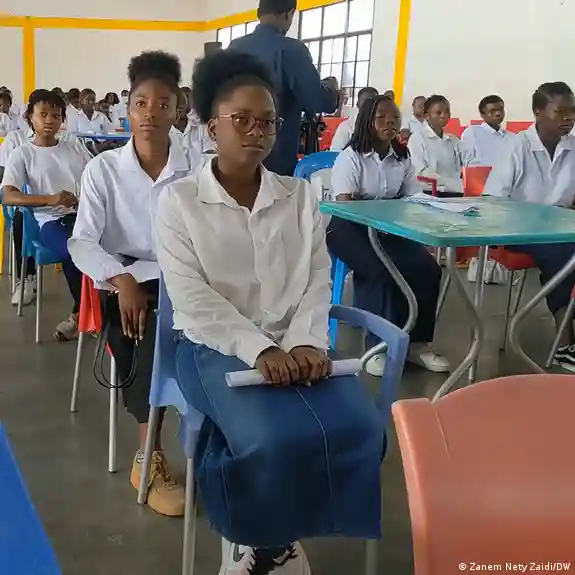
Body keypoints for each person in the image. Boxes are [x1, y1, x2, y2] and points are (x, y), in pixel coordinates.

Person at [155, 49, 384, 575]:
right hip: (210, 346)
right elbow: (192, 298)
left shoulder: (299, 196)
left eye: (268, 122)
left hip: (296, 342)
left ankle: (279, 531)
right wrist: (259, 349)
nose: (256, 131)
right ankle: (254, 539)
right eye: (242, 119)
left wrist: (305, 340)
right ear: (212, 127)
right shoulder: (179, 201)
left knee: (360, 428)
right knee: (267, 437)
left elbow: (317, 278)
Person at [69, 51, 198, 516]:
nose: (150, 114)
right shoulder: (102, 170)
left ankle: (216, 445)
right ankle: (149, 455)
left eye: (163, 104)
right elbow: (82, 241)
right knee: (149, 328)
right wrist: (121, 278)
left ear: (178, 109)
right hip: (125, 280)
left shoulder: (196, 168)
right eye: (141, 103)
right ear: (128, 108)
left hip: (184, 279)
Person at [326, 95, 449, 376]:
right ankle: (377, 348)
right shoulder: (351, 157)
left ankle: (417, 343)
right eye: (381, 117)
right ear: (366, 121)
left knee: (427, 269)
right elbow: (346, 205)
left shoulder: (402, 157)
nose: (389, 123)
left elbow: (411, 197)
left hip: (386, 229)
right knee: (380, 271)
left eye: (394, 118)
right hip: (348, 228)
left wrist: (436, 207)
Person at [483, 81, 575, 370]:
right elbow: (493, 200)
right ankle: (564, 342)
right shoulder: (517, 145)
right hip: (516, 229)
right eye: (560, 111)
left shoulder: (573, 146)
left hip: (560, 229)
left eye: (573, 111)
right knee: (564, 250)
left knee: (564, 244)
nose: (569, 118)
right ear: (538, 112)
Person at [1, 89, 91, 340]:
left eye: (56, 115)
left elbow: (94, 175)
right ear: (30, 116)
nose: (50, 120)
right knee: (74, 250)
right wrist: (50, 199)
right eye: (43, 114)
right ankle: (84, 315)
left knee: (109, 249)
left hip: (82, 215)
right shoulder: (23, 153)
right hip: (50, 221)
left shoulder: (73, 148)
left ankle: (85, 313)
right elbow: (8, 195)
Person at [229, 0, 339, 175]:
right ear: (289, 14)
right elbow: (317, 100)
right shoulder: (292, 50)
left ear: (259, 13)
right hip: (275, 159)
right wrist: (332, 92)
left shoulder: (234, 48)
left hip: (236, 154)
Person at [408, 94, 476, 195]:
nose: (443, 116)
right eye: (438, 113)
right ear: (427, 116)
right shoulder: (417, 139)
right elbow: (420, 172)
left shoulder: (452, 140)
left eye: (447, 112)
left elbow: (470, 159)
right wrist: (452, 183)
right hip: (430, 194)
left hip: (455, 192)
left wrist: (474, 173)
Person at [461, 95, 515, 166]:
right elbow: (467, 162)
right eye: (492, 111)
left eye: (501, 109)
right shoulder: (472, 133)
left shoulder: (512, 137)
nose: (498, 113)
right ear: (482, 115)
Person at [330, 86, 379, 151]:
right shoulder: (346, 127)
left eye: (374, 102)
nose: (370, 106)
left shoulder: (381, 126)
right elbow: (335, 152)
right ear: (357, 104)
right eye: (366, 102)